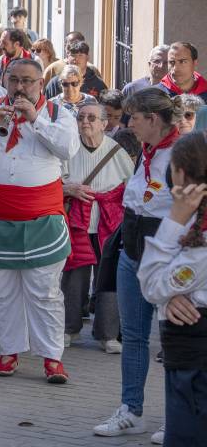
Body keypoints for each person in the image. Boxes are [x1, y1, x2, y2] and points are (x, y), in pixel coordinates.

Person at [0, 58, 79, 383]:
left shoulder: (56, 113)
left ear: (40, 84)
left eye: (28, 81)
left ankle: (52, 358)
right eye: (14, 80)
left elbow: (68, 149)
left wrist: (36, 119)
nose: (20, 87)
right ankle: (9, 350)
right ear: (6, 80)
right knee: (2, 292)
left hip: (41, 219)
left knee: (45, 292)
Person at [93, 88, 183, 439]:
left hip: (166, 257)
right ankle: (131, 409)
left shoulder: (182, 154)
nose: (127, 124)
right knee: (133, 335)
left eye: (133, 118)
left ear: (153, 120)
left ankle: (176, 416)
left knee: (173, 340)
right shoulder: (143, 150)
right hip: (132, 248)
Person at [137, 131, 207, 446]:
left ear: (182, 172)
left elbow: (151, 282)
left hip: (195, 360)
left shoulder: (200, 238)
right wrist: (169, 300)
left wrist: (175, 217)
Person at [61, 98, 132, 352]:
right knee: (73, 277)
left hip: (108, 223)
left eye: (92, 118)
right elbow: (54, 181)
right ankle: (69, 329)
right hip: (77, 221)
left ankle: (108, 334)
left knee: (108, 278)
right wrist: (68, 188)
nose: (85, 122)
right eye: (81, 118)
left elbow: (131, 184)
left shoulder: (116, 151)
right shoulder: (68, 148)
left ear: (104, 123)